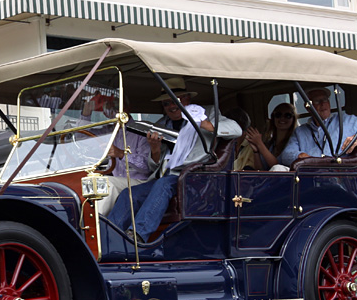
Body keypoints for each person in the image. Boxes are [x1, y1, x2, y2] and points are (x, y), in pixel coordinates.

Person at [108, 82, 241, 244]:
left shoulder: (208, 112)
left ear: (187, 99)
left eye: (176, 100)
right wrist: (155, 148)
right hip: (167, 176)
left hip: (195, 175)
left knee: (163, 184)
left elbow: (236, 129)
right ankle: (108, 237)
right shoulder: (161, 125)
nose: (171, 106)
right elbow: (155, 167)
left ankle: (137, 235)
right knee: (129, 193)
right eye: (166, 103)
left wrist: (206, 125)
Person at [279, 87, 357, 166]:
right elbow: (286, 155)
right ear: (308, 107)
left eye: (325, 100)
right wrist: (303, 156)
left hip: (339, 178)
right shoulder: (301, 131)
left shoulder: (345, 121)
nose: (323, 104)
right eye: (318, 101)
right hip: (309, 177)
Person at [240, 102, 297, 171]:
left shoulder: (294, 142)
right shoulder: (270, 144)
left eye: (287, 115)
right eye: (278, 115)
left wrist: (259, 143)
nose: (282, 118)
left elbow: (276, 166)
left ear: (293, 119)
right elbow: (260, 169)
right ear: (273, 118)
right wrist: (256, 151)